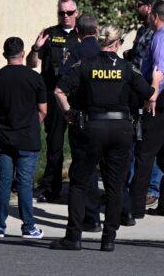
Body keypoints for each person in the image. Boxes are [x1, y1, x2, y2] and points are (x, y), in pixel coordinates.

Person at [49, 24, 157, 252]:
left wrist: (68, 112)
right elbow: (149, 94)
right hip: (121, 128)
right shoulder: (128, 68)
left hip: (92, 126)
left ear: (100, 41)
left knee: (79, 183)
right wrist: (156, 80)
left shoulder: (85, 65)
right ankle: (109, 239)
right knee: (114, 186)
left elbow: (59, 90)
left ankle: (74, 237)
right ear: (118, 43)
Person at [128, 1, 164, 221]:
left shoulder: (160, 38)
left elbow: (163, 70)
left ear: (156, 17)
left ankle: (136, 207)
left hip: (158, 99)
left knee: (144, 153)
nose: (148, 18)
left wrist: (151, 95)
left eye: (150, 15)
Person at [0, 37, 47, 239]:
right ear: (23, 54)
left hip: (4, 135)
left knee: (4, 181)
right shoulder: (35, 78)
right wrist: (32, 124)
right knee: (24, 182)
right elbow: (43, 110)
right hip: (28, 137)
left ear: (5, 55)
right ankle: (28, 226)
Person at [26, 0, 80, 203]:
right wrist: (36, 48)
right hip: (52, 93)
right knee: (55, 142)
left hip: (76, 95)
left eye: (69, 12)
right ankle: (51, 186)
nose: (65, 16)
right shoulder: (49, 33)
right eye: (61, 13)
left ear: (76, 12)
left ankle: (77, 184)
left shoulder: (82, 34)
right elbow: (31, 64)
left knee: (79, 142)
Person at [60, 14, 102, 232]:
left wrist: (68, 112)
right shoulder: (105, 52)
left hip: (80, 116)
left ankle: (86, 216)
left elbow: (63, 83)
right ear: (96, 30)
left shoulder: (74, 52)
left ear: (77, 31)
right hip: (104, 116)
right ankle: (101, 216)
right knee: (102, 168)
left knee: (82, 168)